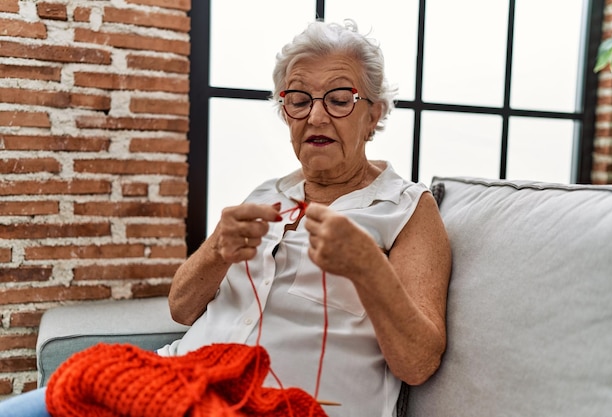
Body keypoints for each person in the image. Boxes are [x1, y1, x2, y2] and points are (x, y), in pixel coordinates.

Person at [0, 19, 451, 417]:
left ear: (374, 114)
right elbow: (181, 307)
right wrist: (217, 248)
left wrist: (367, 268)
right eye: (298, 99)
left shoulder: (407, 208)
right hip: (183, 382)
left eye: (338, 99)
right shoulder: (268, 194)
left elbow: (418, 363)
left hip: (289, 405)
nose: (315, 115)